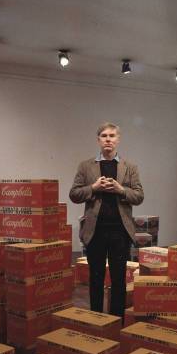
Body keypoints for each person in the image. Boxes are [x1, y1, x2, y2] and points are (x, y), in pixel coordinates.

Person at [69, 122, 144, 318]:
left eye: (112, 136)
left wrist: (121, 190)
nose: (108, 139)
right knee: (96, 277)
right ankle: (96, 319)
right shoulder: (86, 166)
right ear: (98, 140)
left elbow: (139, 196)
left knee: (119, 278)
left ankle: (115, 322)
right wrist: (93, 187)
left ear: (118, 140)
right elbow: (74, 194)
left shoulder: (130, 167)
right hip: (95, 231)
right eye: (104, 136)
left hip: (121, 231)